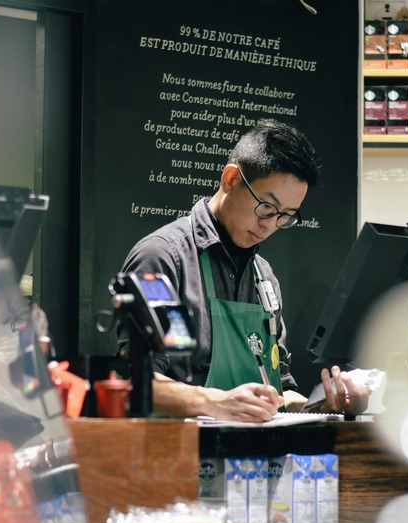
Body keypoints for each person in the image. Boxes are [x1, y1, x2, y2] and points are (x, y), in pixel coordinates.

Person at [117, 118, 370, 422]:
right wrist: (215, 402)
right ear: (231, 180)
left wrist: (324, 407)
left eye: (285, 217)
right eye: (266, 207)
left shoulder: (264, 277)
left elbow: (279, 390)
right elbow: (137, 382)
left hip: (257, 463)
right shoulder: (165, 259)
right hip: (182, 458)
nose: (270, 225)